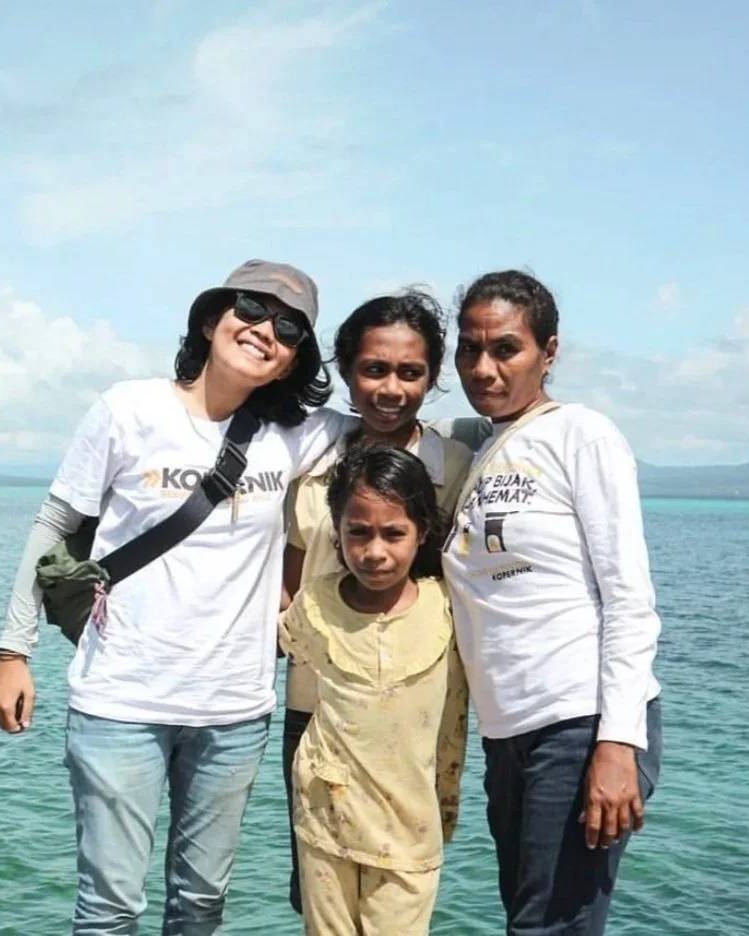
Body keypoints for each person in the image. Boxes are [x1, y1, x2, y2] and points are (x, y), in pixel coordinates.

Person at [0, 260, 350, 936]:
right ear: (211, 319)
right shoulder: (129, 409)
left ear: (294, 359)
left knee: (201, 904)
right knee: (110, 908)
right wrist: (13, 651)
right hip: (120, 703)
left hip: (234, 713)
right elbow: (54, 526)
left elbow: (399, 427)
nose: (265, 329)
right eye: (250, 308)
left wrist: (497, 429)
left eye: (289, 327)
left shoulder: (297, 434)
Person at [442, 270, 663, 936]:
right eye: (470, 349)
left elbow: (628, 596)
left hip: (580, 721)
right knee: (532, 919)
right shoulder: (480, 448)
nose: (484, 367)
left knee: (547, 928)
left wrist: (617, 743)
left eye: (506, 348)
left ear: (549, 351)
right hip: (508, 733)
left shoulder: (581, 435)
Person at [278, 290, 474, 913]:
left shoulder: (457, 467)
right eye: (374, 369)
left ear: (433, 377)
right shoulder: (311, 457)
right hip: (315, 698)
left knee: (398, 888)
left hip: (408, 712)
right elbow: (291, 563)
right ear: (346, 371)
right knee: (318, 888)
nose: (391, 389)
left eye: (410, 373)